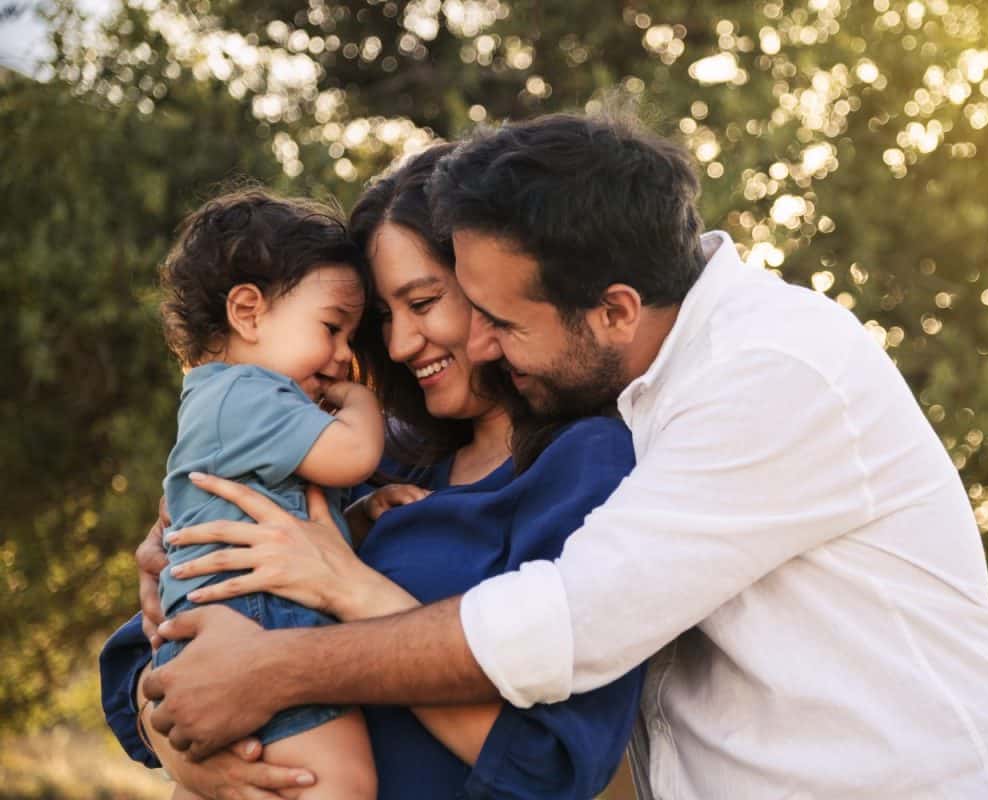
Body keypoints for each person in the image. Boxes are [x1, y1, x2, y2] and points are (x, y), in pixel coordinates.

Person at [139, 114, 988, 798]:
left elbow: (565, 628)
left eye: (492, 316)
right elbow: (157, 644)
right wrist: (185, 729)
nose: (474, 345)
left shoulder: (767, 374)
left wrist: (281, 667)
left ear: (615, 309)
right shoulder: (424, 445)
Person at [100, 144, 644, 799]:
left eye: (422, 302)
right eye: (383, 317)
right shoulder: (374, 455)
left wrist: (343, 586)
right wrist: (195, 754)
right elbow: (139, 662)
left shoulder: (591, 464)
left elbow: (552, 768)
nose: (396, 344)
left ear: (493, 286)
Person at [149, 189, 383, 799]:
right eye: (333, 328)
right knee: (339, 782)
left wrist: (359, 516)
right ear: (248, 312)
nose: (342, 359)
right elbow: (353, 454)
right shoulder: (251, 393)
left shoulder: (223, 400)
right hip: (258, 621)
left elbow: (294, 519)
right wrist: (363, 405)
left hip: (223, 623)